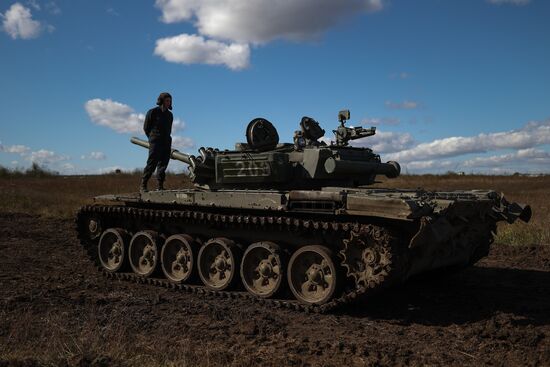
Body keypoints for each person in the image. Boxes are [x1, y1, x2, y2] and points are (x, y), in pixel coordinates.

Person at [140, 92, 173, 192]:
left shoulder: (170, 115)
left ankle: (160, 186)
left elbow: (169, 129)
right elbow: (146, 128)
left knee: (163, 164)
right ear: (161, 101)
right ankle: (143, 185)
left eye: (170, 101)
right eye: (167, 100)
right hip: (155, 141)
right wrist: (152, 139)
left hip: (166, 141)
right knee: (152, 163)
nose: (169, 103)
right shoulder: (153, 112)